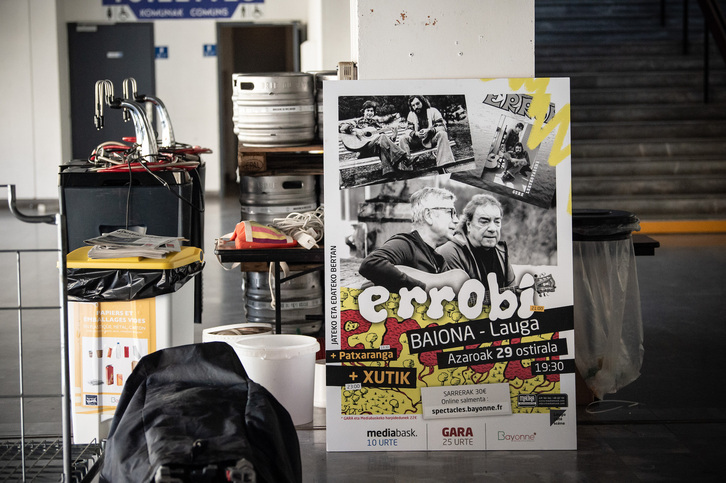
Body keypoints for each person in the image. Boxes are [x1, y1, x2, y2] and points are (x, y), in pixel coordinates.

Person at [358, 187, 463, 292]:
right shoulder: (405, 244)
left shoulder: (439, 261)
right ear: (428, 215)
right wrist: (420, 288)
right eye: (450, 212)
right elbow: (370, 263)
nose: (456, 220)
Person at [437, 194, 515, 288]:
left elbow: (512, 290)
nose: (493, 228)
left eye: (497, 222)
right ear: (469, 225)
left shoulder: (501, 251)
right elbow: (461, 296)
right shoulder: (451, 252)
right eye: (484, 221)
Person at [338, 100, 410, 176]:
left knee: (382, 144)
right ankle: (404, 158)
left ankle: (388, 172)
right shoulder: (357, 121)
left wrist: (394, 136)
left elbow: (385, 142)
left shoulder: (376, 124)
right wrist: (355, 130)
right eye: (368, 110)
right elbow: (341, 127)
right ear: (363, 112)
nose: (370, 113)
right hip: (363, 150)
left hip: (375, 149)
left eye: (372, 111)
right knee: (381, 139)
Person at [398, 95, 455, 169]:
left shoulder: (433, 111)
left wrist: (429, 130)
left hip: (431, 140)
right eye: (413, 105)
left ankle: (443, 164)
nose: (416, 107)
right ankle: (406, 169)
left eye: (417, 103)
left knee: (442, 134)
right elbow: (408, 130)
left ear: (423, 102)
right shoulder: (411, 114)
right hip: (417, 141)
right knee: (402, 138)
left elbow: (442, 127)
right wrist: (416, 134)